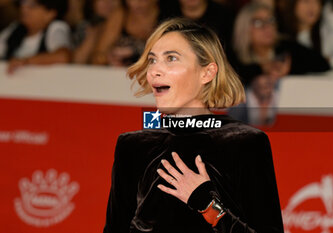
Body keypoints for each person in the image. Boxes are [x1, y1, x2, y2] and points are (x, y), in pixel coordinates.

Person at [103, 18, 284, 233]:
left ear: (207, 72)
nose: (154, 71)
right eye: (152, 60)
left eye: (171, 58)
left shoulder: (245, 142)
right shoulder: (132, 145)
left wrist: (207, 205)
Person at [0, 0, 71, 74]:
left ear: (50, 13)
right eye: (22, 4)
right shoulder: (14, 29)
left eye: (32, 5)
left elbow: (62, 57)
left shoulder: (55, 27)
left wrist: (25, 61)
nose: (24, 9)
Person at [91, 0, 160, 66]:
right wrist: (108, 59)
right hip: (119, 74)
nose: (136, 3)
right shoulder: (119, 16)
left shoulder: (165, 18)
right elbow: (98, 56)